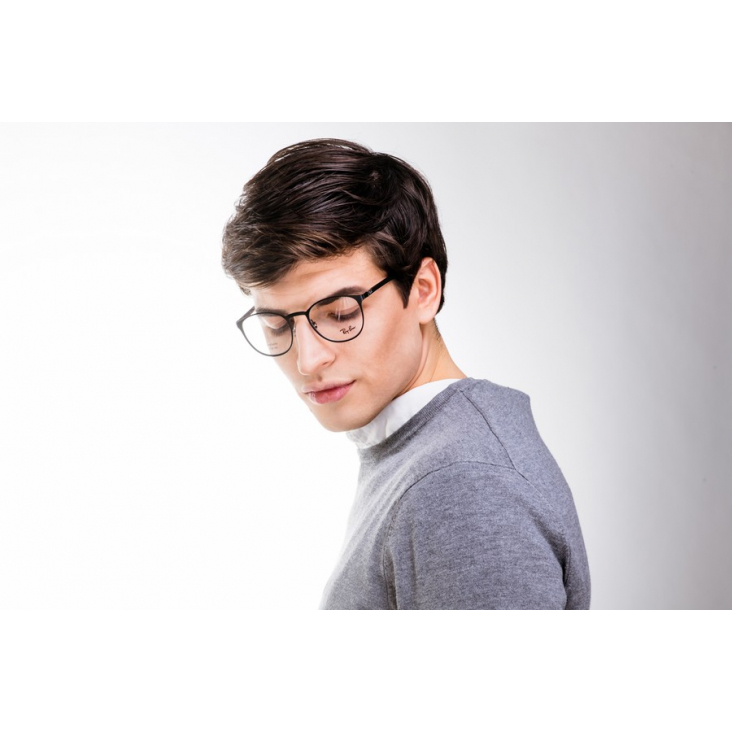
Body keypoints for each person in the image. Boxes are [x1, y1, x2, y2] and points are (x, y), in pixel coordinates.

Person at [221, 138, 591, 609]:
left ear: (423, 290)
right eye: (277, 324)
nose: (308, 360)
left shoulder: (466, 488)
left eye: (341, 313)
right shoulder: (422, 456)